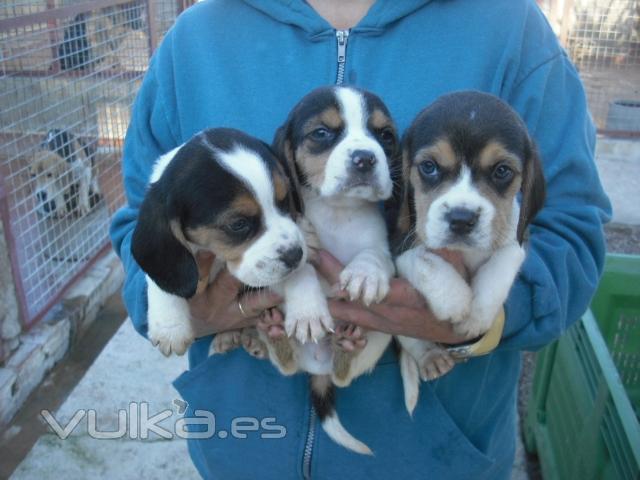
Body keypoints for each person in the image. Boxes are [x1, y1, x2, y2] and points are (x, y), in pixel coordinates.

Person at [109, 0, 611, 478]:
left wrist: (483, 319)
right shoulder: (194, 40)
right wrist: (186, 308)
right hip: (240, 453)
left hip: (434, 462)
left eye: (384, 138)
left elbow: (571, 230)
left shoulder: (511, 28)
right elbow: (141, 227)